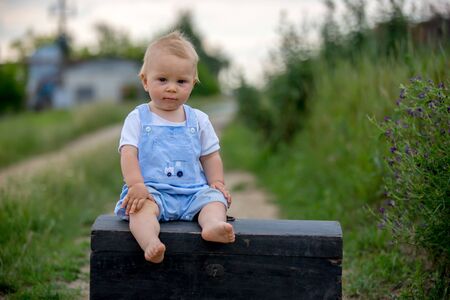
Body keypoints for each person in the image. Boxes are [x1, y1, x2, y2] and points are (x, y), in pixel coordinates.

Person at [114, 31, 234, 264]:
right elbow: (129, 153)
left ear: (193, 83)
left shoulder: (198, 119)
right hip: (151, 191)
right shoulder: (138, 118)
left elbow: (210, 156)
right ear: (145, 80)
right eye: (163, 80)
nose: (172, 88)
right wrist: (136, 185)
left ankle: (212, 226)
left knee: (215, 200)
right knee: (138, 210)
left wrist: (217, 182)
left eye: (181, 81)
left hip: (193, 192)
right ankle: (150, 241)